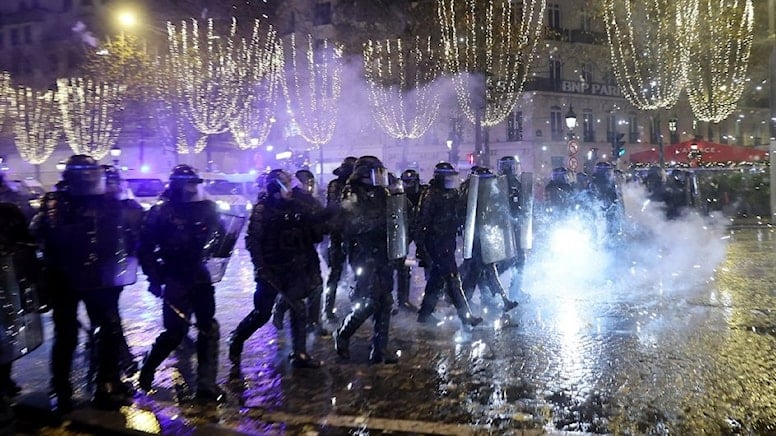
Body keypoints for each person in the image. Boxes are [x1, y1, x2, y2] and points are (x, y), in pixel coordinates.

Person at [30, 155, 140, 411]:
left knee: (107, 332)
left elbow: (125, 234)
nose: (88, 179)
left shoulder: (110, 201)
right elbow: (49, 237)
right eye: (84, 174)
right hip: (66, 278)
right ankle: (61, 387)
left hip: (100, 279)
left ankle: (106, 383)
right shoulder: (55, 203)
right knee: (67, 334)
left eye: (91, 174)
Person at [137, 164, 225, 402]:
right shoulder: (161, 213)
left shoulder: (208, 208)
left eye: (194, 183)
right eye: (188, 183)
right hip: (175, 276)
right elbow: (145, 249)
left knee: (208, 328)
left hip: (200, 274)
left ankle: (207, 384)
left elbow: (221, 238)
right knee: (175, 333)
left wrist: (217, 243)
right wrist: (155, 278)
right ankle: (148, 367)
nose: (192, 188)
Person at [228, 169, 330, 369]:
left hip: (292, 268)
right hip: (271, 269)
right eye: (286, 185)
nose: (291, 189)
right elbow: (253, 241)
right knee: (262, 313)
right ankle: (237, 339)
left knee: (298, 308)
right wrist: (260, 266)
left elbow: (313, 225)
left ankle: (299, 354)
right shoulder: (262, 210)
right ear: (276, 187)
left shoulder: (296, 206)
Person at [332, 156, 398, 364]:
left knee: (385, 301)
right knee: (368, 302)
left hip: (382, 252)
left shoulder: (383, 192)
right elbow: (353, 222)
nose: (380, 176)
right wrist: (382, 221)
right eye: (375, 171)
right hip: (363, 253)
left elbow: (395, 216)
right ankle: (342, 334)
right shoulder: (350, 192)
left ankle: (379, 349)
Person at [415, 162, 482, 327]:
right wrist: (422, 249)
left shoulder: (452, 194)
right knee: (452, 279)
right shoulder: (431, 195)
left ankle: (424, 315)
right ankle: (465, 317)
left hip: (447, 241)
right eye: (448, 177)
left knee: (436, 280)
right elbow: (423, 223)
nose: (452, 180)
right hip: (436, 243)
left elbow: (460, 213)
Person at [270, 169, 330, 337]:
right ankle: (280, 310)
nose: (308, 187)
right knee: (295, 290)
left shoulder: (311, 200)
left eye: (311, 184)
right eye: (306, 183)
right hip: (293, 252)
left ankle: (314, 323)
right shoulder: (291, 200)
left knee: (316, 285)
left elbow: (320, 220)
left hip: (309, 248)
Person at [459, 166, 519, 314]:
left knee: (478, 272)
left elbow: (494, 209)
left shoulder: (485, 192)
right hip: (476, 238)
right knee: (481, 271)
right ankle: (499, 300)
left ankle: (490, 300)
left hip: (485, 234)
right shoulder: (469, 193)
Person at [322, 156, 357, 321]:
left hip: (353, 234)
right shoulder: (336, 186)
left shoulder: (356, 186)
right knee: (335, 273)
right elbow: (336, 208)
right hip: (339, 234)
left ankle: (357, 303)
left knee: (358, 271)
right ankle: (328, 309)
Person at [393, 169, 426, 311]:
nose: (408, 185)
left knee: (430, 263)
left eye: (410, 182)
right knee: (401, 266)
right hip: (405, 230)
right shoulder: (399, 194)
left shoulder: (425, 193)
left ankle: (432, 299)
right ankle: (402, 300)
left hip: (420, 229)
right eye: (405, 182)